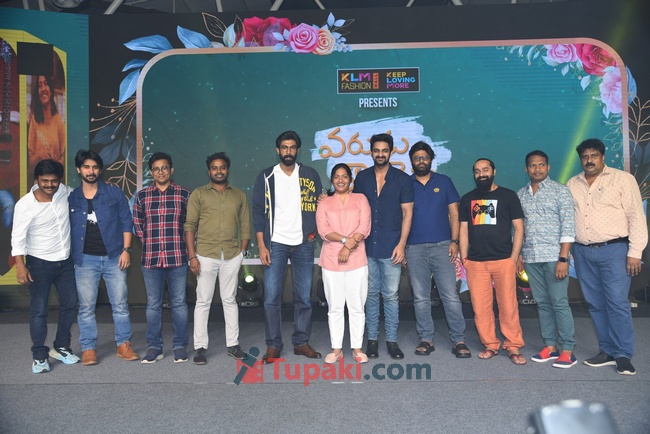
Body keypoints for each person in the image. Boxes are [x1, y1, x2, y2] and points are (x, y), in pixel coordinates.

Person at [567, 138, 647, 375]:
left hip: (615, 250)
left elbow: (636, 217)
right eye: (585, 157)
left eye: (594, 155)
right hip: (582, 252)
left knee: (617, 302)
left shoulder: (623, 179)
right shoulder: (573, 183)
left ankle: (623, 354)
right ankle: (607, 350)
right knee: (595, 303)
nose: (589, 160)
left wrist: (635, 252)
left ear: (603, 157)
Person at [252, 130, 323, 364]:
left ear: (298, 150)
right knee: (271, 298)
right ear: (278, 150)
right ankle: (273, 345)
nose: (288, 151)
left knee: (304, 297)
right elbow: (258, 212)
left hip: (303, 244)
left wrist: (313, 231)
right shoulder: (266, 176)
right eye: (284, 147)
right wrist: (262, 245)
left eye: (292, 147)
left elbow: (320, 205)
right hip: (276, 244)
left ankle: (301, 342)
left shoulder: (310, 174)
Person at [69, 149, 138, 365]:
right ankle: (88, 348)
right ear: (79, 170)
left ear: (100, 170)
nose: (91, 171)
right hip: (85, 260)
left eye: (95, 167)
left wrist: (126, 250)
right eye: (86, 167)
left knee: (120, 304)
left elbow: (126, 221)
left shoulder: (113, 192)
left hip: (114, 257)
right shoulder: (72, 197)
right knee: (86, 307)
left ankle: (123, 345)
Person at [11, 160, 79, 373]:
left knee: (70, 304)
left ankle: (61, 346)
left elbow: (85, 192)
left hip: (65, 262)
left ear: (60, 180)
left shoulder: (64, 192)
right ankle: (39, 356)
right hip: (39, 264)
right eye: (45, 181)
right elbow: (17, 238)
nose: (50, 185)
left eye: (54, 181)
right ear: (36, 180)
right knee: (39, 311)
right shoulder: (24, 205)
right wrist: (20, 266)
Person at [405, 141, 470, 358]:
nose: (421, 161)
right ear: (411, 161)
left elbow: (455, 214)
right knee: (420, 297)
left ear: (431, 159)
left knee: (450, 295)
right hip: (414, 249)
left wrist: (455, 241)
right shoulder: (406, 184)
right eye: (417, 158)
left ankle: (459, 340)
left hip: (443, 246)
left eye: (425, 157)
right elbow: (401, 217)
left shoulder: (444, 181)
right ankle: (426, 339)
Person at [185, 152, 250, 365]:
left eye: (222, 167)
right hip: (205, 255)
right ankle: (200, 348)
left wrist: (242, 252)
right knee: (203, 301)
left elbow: (245, 225)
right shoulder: (199, 194)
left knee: (229, 300)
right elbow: (189, 226)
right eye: (214, 168)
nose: (219, 171)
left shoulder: (239, 195)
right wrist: (192, 256)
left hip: (231, 255)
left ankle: (233, 345)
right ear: (209, 171)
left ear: (227, 170)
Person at [459, 158, 526, 365]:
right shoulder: (467, 199)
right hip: (476, 263)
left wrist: (513, 258)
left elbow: (519, 228)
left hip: (503, 260)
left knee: (508, 306)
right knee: (481, 308)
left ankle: (513, 345)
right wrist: (465, 259)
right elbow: (463, 230)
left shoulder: (508, 196)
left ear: (494, 171)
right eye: (477, 171)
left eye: (485, 170)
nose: (481, 174)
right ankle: (490, 344)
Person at [353, 133, 414, 359]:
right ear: (371, 152)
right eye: (376, 151)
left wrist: (402, 245)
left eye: (384, 150)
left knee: (390, 296)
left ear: (391, 152)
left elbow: (408, 214)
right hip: (367, 247)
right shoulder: (362, 178)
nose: (380, 154)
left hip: (392, 247)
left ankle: (391, 341)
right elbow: (353, 208)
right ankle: (371, 341)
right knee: (370, 295)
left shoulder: (402, 179)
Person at [516, 150, 577, 368]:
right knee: (542, 303)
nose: (537, 169)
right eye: (533, 165)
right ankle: (550, 346)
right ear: (526, 169)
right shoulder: (521, 195)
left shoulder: (561, 191)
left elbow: (568, 225)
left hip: (554, 257)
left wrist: (563, 258)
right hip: (531, 257)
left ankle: (567, 350)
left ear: (548, 167)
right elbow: (518, 229)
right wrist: (519, 255)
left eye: (541, 164)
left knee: (559, 302)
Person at [133, 152, 190, 364]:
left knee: (179, 304)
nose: (161, 172)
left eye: (164, 168)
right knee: (153, 305)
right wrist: (149, 241)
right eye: (156, 169)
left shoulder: (184, 194)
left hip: (177, 257)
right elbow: (138, 224)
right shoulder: (142, 196)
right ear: (151, 172)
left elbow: (191, 224)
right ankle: (154, 347)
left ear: (171, 170)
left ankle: (180, 346)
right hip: (152, 258)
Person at [316, 163, 371, 364]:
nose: (340, 180)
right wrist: (345, 240)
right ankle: (337, 349)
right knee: (335, 307)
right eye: (337, 177)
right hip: (331, 261)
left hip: (357, 260)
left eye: (344, 176)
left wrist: (348, 247)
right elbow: (323, 230)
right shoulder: (324, 203)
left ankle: (357, 348)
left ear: (351, 180)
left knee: (357, 306)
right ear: (332, 180)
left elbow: (364, 226)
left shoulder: (361, 199)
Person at [28, 75, 65, 176]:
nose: (43, 89)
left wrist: (54, 166)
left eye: (46, 84)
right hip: (39, 178)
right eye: (40, 86)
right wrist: (39, 155)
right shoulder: (34, 121)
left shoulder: (58, 120)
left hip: (55, 177)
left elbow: (65, 159)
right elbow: (29, 164)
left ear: (51, 90)